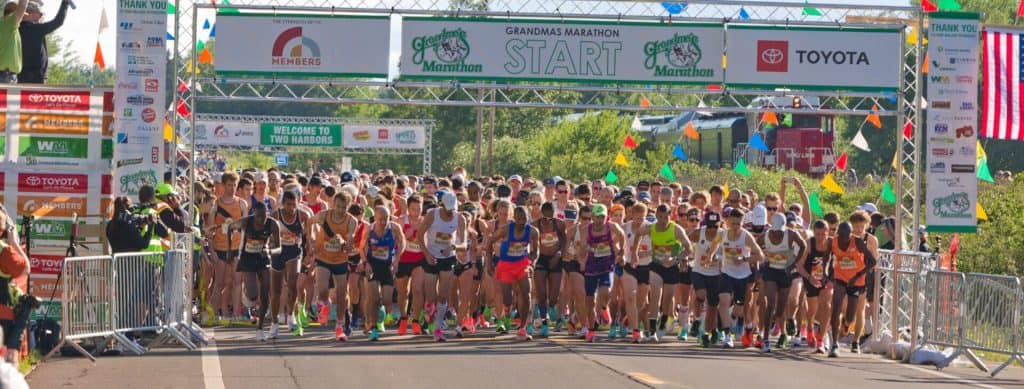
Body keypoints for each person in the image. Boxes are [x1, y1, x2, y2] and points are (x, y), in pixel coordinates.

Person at [417, 191, 468, 342]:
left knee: (443, 295)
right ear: (442, 205)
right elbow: (419, 236)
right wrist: (426, 253)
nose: (451, 211)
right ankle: (427, 313)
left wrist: (452, 246)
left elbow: (463, 245)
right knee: (431, 297)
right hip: (431, 257)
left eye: (453, 208)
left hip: (447, 258)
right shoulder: (432, 215)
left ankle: (438, 329)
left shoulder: (460, 218)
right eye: (448, 208)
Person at [227, 202, 281, 342]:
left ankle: (260, 328)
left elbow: (278, 248)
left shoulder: (272, 224)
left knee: (265, 294)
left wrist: (269, 250)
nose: (260, 220)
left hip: (264, 259)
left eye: (263, 216)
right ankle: (247, 293)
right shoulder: (246, 222)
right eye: (258, 216)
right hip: (247, 258)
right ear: (253, 214)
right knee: (253, 295)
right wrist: (228, 250)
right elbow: (230, 228)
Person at [309, 192, 357, 341]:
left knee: (342, 296)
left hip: (340, 260)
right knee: (323, 290)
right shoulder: (324, 215)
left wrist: (344, 243)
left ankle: (339, 327)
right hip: (323, 257)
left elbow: (349, 246)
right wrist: (311, 241)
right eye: (337, 206)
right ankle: (325, 305)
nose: (340, 210)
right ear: (333, 204)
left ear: (348, 207)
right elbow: (309, 222)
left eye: (343, 207)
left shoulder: (351, 221)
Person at [828, 216, 878, 357]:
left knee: (852, 315)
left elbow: (873, 261)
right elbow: (827, 258)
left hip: (857, 280)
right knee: (836, 307)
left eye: (847, 236)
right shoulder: (833, 242)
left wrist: (858, 275)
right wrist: (828, 274)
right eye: (841, 236)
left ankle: (847, 325)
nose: (844, 239)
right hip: (840, 278)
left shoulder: (858, 241)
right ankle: (834, 344)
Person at [488, 205, 539, 341]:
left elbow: (536, 251)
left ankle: (523, 328)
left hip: (522, 264)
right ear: (514, 218)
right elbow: (489, 243)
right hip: (505, 265)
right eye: (519, 219)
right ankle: (506, 313)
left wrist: (532, 261)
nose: (522, 221)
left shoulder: (533, 231)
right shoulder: (505, 230)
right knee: (507, 298)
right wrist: (488, 263)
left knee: (526, 293)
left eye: (524, 219)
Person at [757, 213, 806, 352]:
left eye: (780, 231)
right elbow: (754, 246)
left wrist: (793, 264)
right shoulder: (765, 236)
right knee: (770, 303)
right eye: (776, 230)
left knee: (780, 310)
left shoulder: (791, 234)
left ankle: (781, 320)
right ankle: (766, 339)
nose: (778, 233)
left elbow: (803, 246)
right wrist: (762, 257)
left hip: (785, 273)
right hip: (771, 271)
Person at [578, 204, 625, 342]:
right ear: (592, 217)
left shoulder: (611, 227)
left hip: (607, 265)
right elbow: (581, 251)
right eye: (597, 217)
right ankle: (591, 330)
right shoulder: (586, 229)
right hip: (591, 266)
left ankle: (604, 308)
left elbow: (622, 235)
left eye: (603, 217)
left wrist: (621, 251)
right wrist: (586, 248)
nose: (600, 220)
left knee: (606, 292)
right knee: (590, 300)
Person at [717, 208, 763, 348]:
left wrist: (744, 259)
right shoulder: (722, 234)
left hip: (743, 275)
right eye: (733, 223)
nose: (735, 227)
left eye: (738, 224)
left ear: (742, 223)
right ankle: (727, 336)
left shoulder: (746, 236)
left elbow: (760, 256)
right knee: (723, 302)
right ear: (728, 221)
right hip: (726, 273)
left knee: (739, 308)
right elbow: (714, 248)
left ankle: (732, 318)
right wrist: (712, 256)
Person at [361, 204, 405, 341]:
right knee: (373, 299)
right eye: (380, 219)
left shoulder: (394, 228)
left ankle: (376, 315)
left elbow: (403, 243)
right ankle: (373, 327)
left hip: (387, 267)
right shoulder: (369, 229)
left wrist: (396, 260)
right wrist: (366, 263)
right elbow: (361, 248)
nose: (383, 222)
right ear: (375, 217)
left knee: (386, 300)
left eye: (386, 218)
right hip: (373, 266)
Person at [271, 190, 310, 338]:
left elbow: (310, 233)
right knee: (276, 290)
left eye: (294, 204)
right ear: (283, 204)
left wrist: (309, 246)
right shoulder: (275, 216)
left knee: (293, 282)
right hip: (278, 253)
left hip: (294, 252)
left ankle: (291, 315)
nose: (292, 208)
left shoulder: (303, 216)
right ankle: (274, 323)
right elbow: (266, 232)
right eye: (288, 204)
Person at [0, 205, 29, 365]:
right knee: (7, 365)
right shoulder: (5, 251)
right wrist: (13, 242)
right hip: (3, 315)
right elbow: (25, 269)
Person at [533, 201, 565, 337]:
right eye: (545, 217)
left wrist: (558, 254)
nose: (547, 220)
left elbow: (564, 240)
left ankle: (552, 306)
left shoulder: (559, 224)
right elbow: (532, 244)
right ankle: (544, 322)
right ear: (541, 214)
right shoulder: (535, 225)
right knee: (541, 293)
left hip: (555, 259)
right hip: (541, 259)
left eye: (550, 217)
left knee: (553, 295)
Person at [18, 0, 69, 84]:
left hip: (21, 74)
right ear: (29, 13)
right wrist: (65, 3)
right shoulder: (36, 29)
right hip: (37, 75)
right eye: (40, 14)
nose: (41, 17)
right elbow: (58, 21)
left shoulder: (16, 29)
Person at [0, 0, 28, 83]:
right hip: (5, 76)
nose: (22, 18)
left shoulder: (5, 25)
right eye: (21, 16)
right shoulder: (9, 24)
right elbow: (23, 5)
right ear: (13, 14)